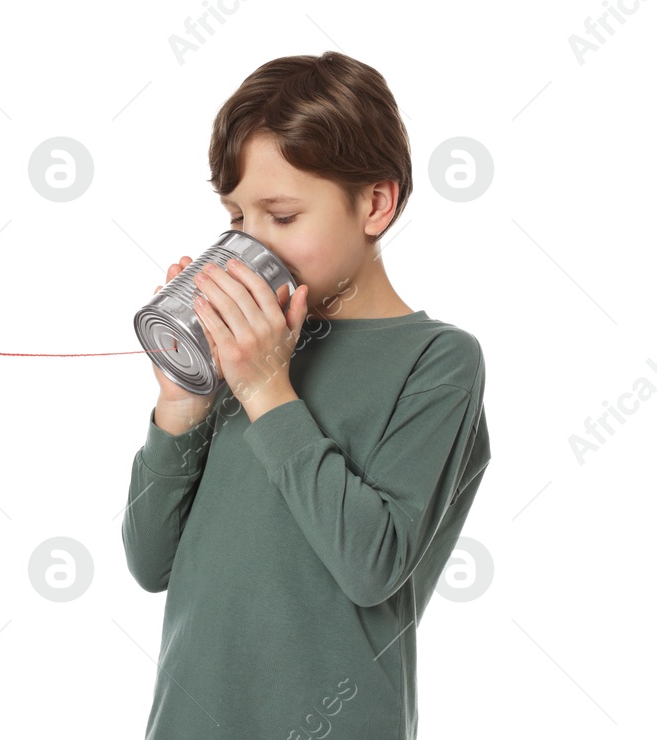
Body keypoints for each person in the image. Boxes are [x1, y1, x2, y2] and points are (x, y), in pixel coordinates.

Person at [122, 52, 491, 739]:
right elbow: (149, 562)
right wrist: (182, 402)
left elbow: (372, 567)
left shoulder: (439, 363)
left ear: (375, 204)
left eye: (282, 216)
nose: (247, 245)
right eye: (235, 216)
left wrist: (268, 388)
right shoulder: (247, 355)